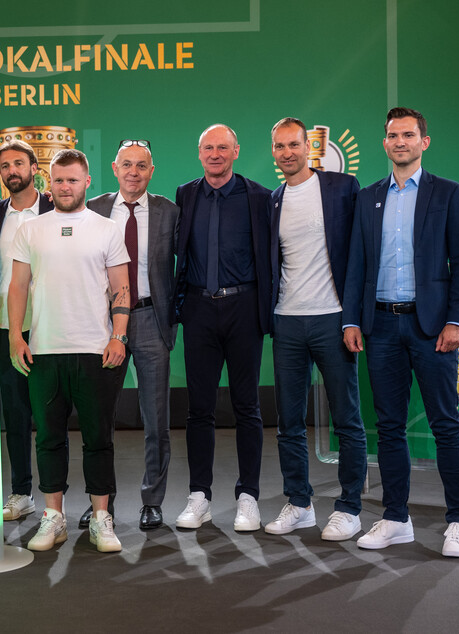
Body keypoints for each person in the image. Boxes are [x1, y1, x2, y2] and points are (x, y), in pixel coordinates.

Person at [343, 107, 459, 557]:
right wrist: (351, 319)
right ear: (384, 143)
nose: (400, 142)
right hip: (379, 326)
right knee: (390, 427)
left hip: (432, 328)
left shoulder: (447, 194)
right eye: (393, 135)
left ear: (424, 141)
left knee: (445, 426)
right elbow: (357, 264)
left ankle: (458, 520)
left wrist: (456, 320)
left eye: (408, 135)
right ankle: (396, 517)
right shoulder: (368, 197)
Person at [9, 149, 130, 553]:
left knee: (98, 439)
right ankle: (53, 518)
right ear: (49, 182)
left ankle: (100, 518)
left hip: (97, 351)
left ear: (87, 182)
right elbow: (18, 287)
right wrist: (15, 336)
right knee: (48, 439)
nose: (65, 187)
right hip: (44, 352)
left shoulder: (107, 229)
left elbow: (121, 287)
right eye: (58, 180)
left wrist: (119, 335)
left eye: (73, 180)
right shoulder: (30, 230)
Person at [263, 118, 367, 540]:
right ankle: (300, 503)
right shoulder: (272, 200)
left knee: (347, 420)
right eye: (279, 146)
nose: (287, 152)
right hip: (286, 323)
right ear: (272, 152)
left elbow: (359, 255)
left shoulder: (343, 188)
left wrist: (351, 317)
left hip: (332, 319)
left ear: (309, 147)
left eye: (293, 144)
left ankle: (350, 508)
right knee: (289, 422)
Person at [172, 124, 272, 533]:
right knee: (199, 409)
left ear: (236, 152)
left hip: (243, 307)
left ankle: (248, 496)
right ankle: (200, 496)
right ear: (199, 153)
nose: (215, 154)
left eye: (223, 148)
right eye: (208, 148)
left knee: (247, 407)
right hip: (198, 308)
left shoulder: (260, 197)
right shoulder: (185, 194)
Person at [88, 139, 178, 531]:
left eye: (142, 166)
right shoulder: (93, 209)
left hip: (149, 321)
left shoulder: (169, 212)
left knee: (156, 419)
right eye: (127, 164)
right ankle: (101, 504)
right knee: (98, 419)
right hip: (101, 325)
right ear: (115, 167)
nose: (134, 172)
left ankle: (152, 500)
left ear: (151, 171)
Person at [0, 140, 53, 522]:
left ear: (33, 167)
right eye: (5, 165)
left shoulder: (54, 207)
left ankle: (53, 496)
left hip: (48, 320)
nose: (12, 170)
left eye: (19, 163)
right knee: (14, 409)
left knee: (47, 411)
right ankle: (21, 491)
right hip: (3, 323)